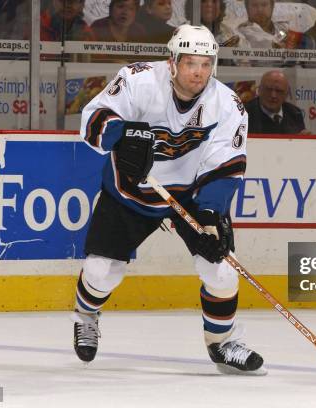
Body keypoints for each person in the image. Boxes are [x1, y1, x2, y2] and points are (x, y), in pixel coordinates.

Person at [72, 24, 265, 376]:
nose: (199, 72)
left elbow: (226, 165)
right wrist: (121, 134)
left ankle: (223, 342)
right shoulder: (138, 79)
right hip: (130, 189)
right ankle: (86, 315)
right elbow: (93, 119)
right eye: (191, 63)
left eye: (206, 64)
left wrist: (209, 214)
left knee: (221, 271)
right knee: (102, 273)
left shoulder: (227, 104)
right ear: (172, 61)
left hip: (190, 193)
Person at [244, 70, 308, 134]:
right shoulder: (244, 114)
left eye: (279, 91)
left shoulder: (295, 113)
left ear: (286, 94)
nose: (273, 95)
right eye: (268, 89)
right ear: (259, 90)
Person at [184, 0, 248, 48]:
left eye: (214, 1)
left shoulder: (232, 35)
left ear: (220, 8)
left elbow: (246, 61)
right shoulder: (183, 32)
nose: (209, 5)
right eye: (203, 1)